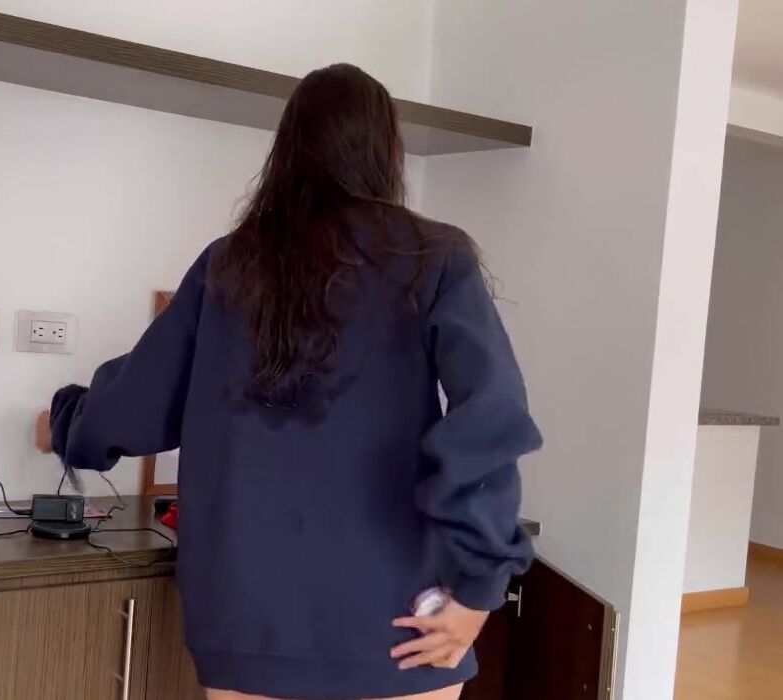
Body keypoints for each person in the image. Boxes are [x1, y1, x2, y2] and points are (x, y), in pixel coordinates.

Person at [36, 63, 541, 700]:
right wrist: (480, 587)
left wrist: (66, 422)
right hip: (398, 615)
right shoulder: (434, 257)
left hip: (246, 613)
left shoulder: (230, 263)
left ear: (289, 148)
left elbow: (139, 403)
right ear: (387, 151)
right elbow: (489, 419)